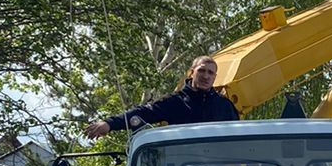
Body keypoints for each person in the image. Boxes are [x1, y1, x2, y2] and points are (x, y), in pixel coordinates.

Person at [86, 56, 240, 137]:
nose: (206, 76)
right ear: (191, 73)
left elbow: (239, 138)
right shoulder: (175, 102)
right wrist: (109, 124)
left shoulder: (224, 106)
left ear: (215, 77)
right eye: (201, 71)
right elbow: (142, 113)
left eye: (210, 73)